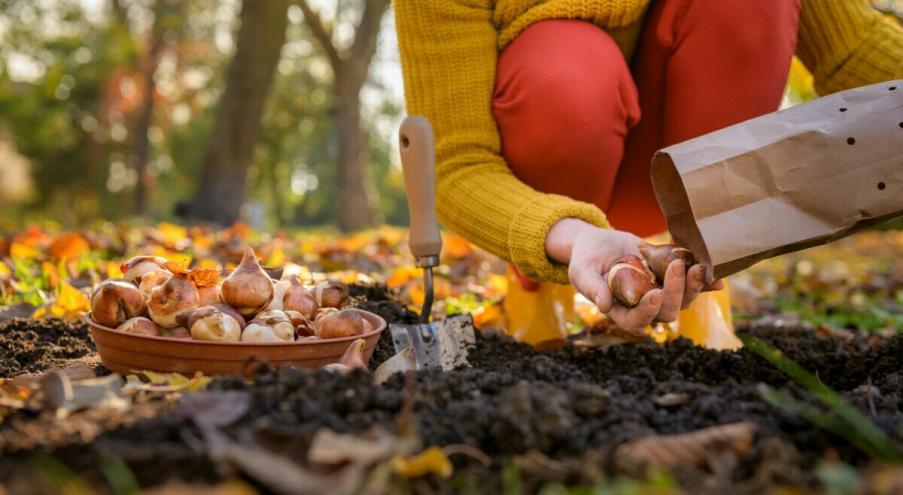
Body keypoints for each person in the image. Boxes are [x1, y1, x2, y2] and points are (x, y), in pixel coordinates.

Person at [393, 0, 903, 336]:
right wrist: (566, 235)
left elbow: (851, 49)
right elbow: (459, 164)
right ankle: (541, 293)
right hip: (555, 189)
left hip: (680, 179)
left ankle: (699, 275)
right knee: (567, 71)